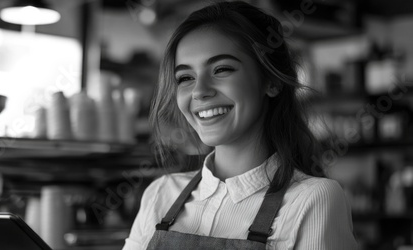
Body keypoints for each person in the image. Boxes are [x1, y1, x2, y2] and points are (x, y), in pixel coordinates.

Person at [123, 1, 358, 249]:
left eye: (221, 69)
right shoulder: (159, 194)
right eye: (185, 78)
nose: (199, 91)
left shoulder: (312, 200)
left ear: (271, 81)